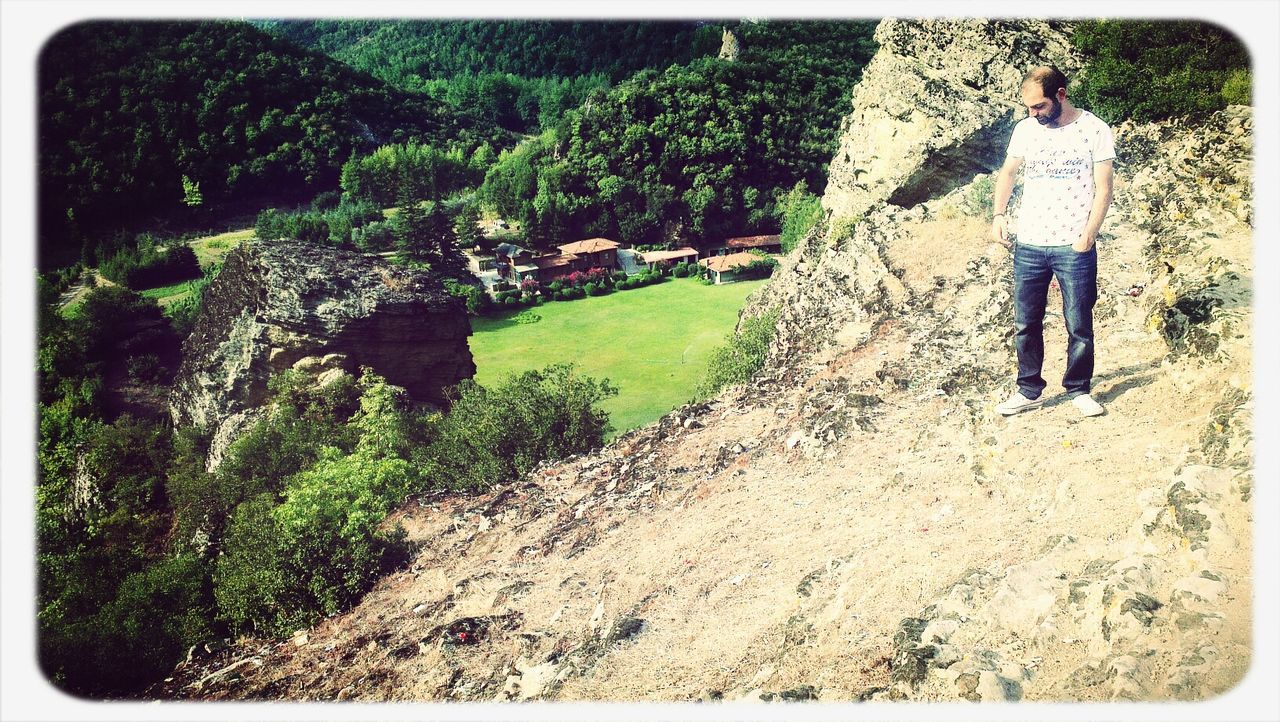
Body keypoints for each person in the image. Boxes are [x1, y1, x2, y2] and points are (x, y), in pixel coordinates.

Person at [991, 65, 1115, 417]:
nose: (1034, 114)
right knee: (1025, 322)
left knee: (1078, 322)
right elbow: (1009, 173)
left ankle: (1078, 389)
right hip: (1029, 243)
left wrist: (1088, 235)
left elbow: (1104, 188)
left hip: (1073, 244)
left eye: (1039, 106)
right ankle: (1028, 388)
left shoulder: (1094, 130)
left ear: (1060, 94)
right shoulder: (1026, 130)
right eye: (1029, 107)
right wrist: (999, 216)